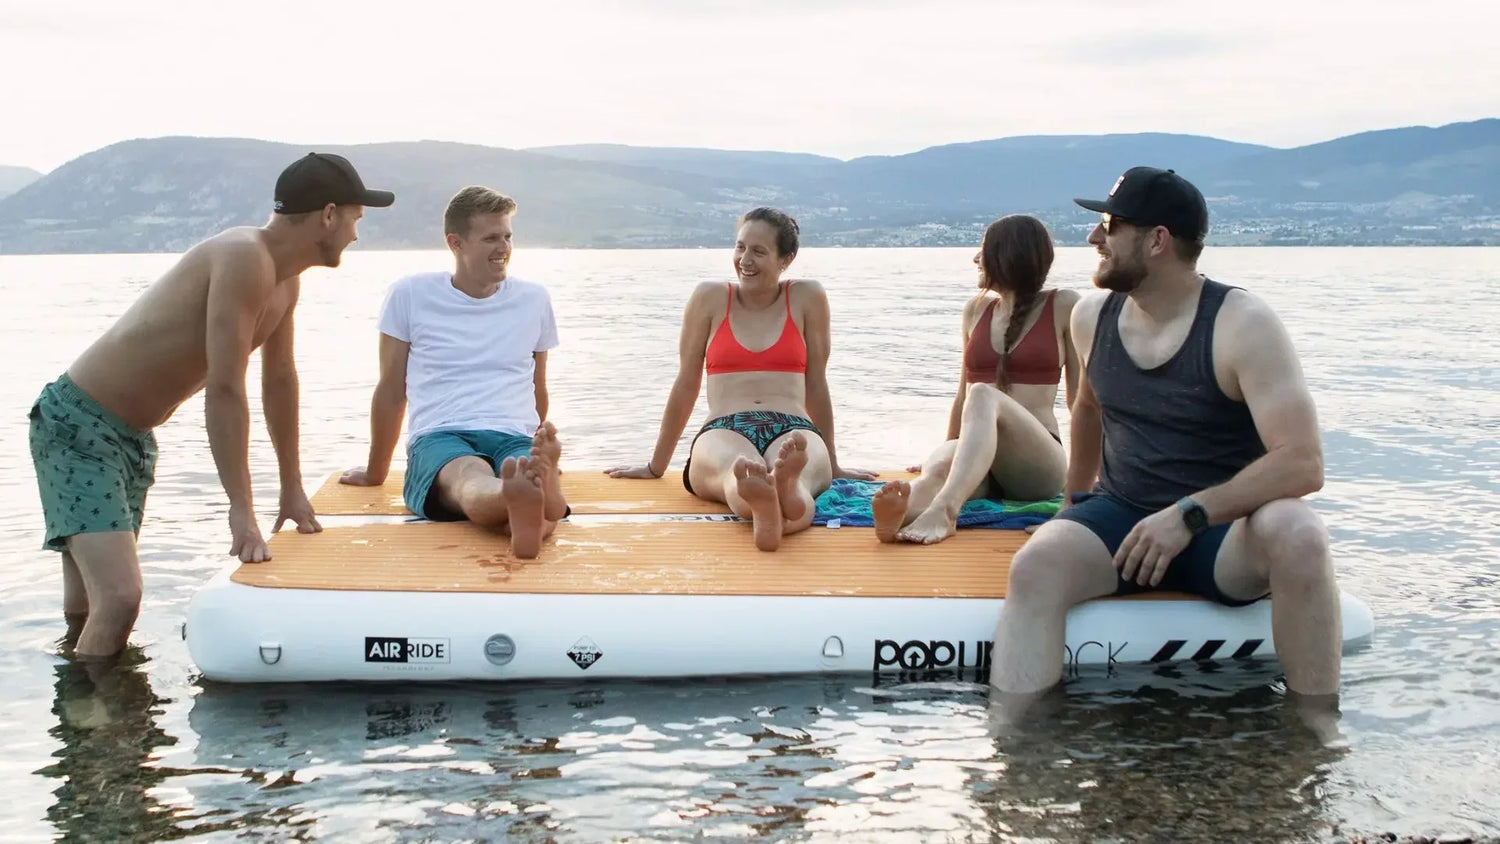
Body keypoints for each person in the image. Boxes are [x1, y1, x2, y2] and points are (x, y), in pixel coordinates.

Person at [989, 167, 1341, 700]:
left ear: (1158, 240)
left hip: (1223, 531)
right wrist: (1071, 504)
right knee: (1036, 564)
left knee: (1300, 532)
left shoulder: (1242, 324)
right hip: (1124, 516)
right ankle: (1022, 761)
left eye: (1110, 225)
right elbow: (1087, 409)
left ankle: (1313, 742)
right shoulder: (1092, 317)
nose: (1093, 238)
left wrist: (1187, 515)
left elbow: (1302, 463)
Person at [27, 152, 393, 659]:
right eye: (356, 217)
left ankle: (84, 711)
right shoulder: (245, 257)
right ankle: (98, 731)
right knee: (119, 599)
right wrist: (241, 510)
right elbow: (226, 387)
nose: (356, 232)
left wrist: (292, 488)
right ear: (328, 214)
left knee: (88, 604)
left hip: (128, 436)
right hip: (79, 425)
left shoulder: (285, 279)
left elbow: (280, 381)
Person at [605, 208, 873, 551]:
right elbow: (686, 384)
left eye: (759, 252)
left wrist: (833, 464)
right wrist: (655, 465)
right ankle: (771, 500)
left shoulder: (807, 297)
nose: (745, 260)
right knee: (738, 473)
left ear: (786, 259)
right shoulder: (710, 298)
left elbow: (817, 385)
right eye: (740, 247)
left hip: (794, 426)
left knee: (796, 477)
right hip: (724, 427)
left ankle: (779, 497)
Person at [340, 186, 567, 559]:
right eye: (491, 238)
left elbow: (536, 384)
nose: (504, 247)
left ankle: (527, 494)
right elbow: (391, 390)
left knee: (492, 476)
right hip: (443, 433)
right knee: (472, 474)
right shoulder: (411, 295)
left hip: (512, 429)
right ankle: (533, 499)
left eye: (508, 236)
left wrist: (538, 436)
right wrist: (375, 472)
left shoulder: (534, 299)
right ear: (455, 242)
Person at [871, 215, 1081, 544]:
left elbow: (1080, 401)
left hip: (1036, 465)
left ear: (1006, 254)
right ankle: (900, 512)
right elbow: (959, 396)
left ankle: (944, 511)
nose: (975, 259)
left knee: (982, 394)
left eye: (982, 251)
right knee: (937, 470)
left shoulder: (1064, 304)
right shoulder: (975, 310)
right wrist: (948, 447)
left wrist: (1083, 483)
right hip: (981, 463)